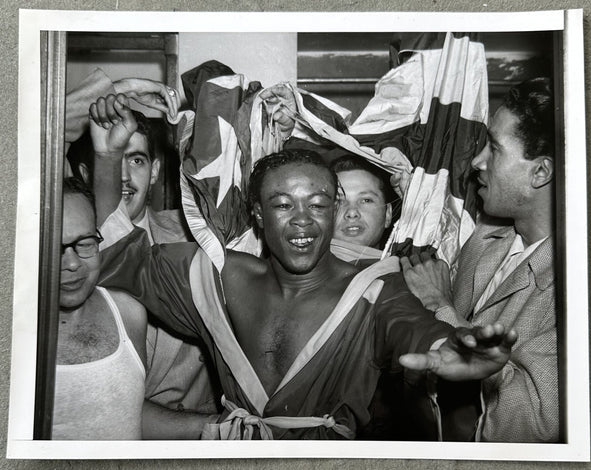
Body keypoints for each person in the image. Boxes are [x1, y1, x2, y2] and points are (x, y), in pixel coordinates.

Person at [92, 93, 518, 440]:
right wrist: (107, 156)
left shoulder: (375, 290)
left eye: (317, 204)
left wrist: (447, 347)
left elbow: (411, 325)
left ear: (334, 210)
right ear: (257, 214)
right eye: (282, 205)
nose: (301, 220)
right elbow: (114, 255)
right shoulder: (217, 278)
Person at [400, 78, 558, 442]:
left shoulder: (577, 291)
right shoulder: (489, 232)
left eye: (494, 148)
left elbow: (526, 426)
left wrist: (442, 307)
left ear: (540, 172)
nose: (476, 161)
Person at [86, 100, 219, 439]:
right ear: (90, 174)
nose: (124, 176)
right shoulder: (70, 260)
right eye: (115, 159)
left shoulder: (192, 230)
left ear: (156, 170)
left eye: (137, 160)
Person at [53, 177, 147, 440]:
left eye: (84, 243)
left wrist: (207, 426)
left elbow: (126, 412)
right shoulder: (15, 335)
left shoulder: (129, 313)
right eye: (53, 248)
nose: (72, 264)